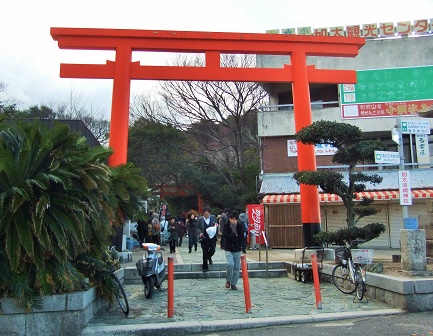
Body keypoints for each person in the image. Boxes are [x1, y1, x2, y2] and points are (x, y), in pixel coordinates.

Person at [223, 210, 244, 290]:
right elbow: (226, 236)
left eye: (235, 219)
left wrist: (234, 238)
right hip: (229, 248)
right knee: (230, 264)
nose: (234, 221)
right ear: (230, 219)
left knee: (236, 267)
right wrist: (234, 236)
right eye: (233, 219)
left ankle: (234, 283)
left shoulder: (240, 226)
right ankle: (228, 280)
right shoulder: (226, 226)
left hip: (237, 248)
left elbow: (241, 237)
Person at [197, 207, 218, 272]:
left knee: (212, 250)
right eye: (205, 214)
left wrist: (216, 226)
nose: (206, 215)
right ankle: (205, 267)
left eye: (207, 214)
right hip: (204, 238)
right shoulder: (199, 220)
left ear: (209, 213)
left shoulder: (213, 217)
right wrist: (200, 233)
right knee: (205, 252)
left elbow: (216, 224)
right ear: (203, 214)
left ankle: (209, 257)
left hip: (212, 237)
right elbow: (197, 228)